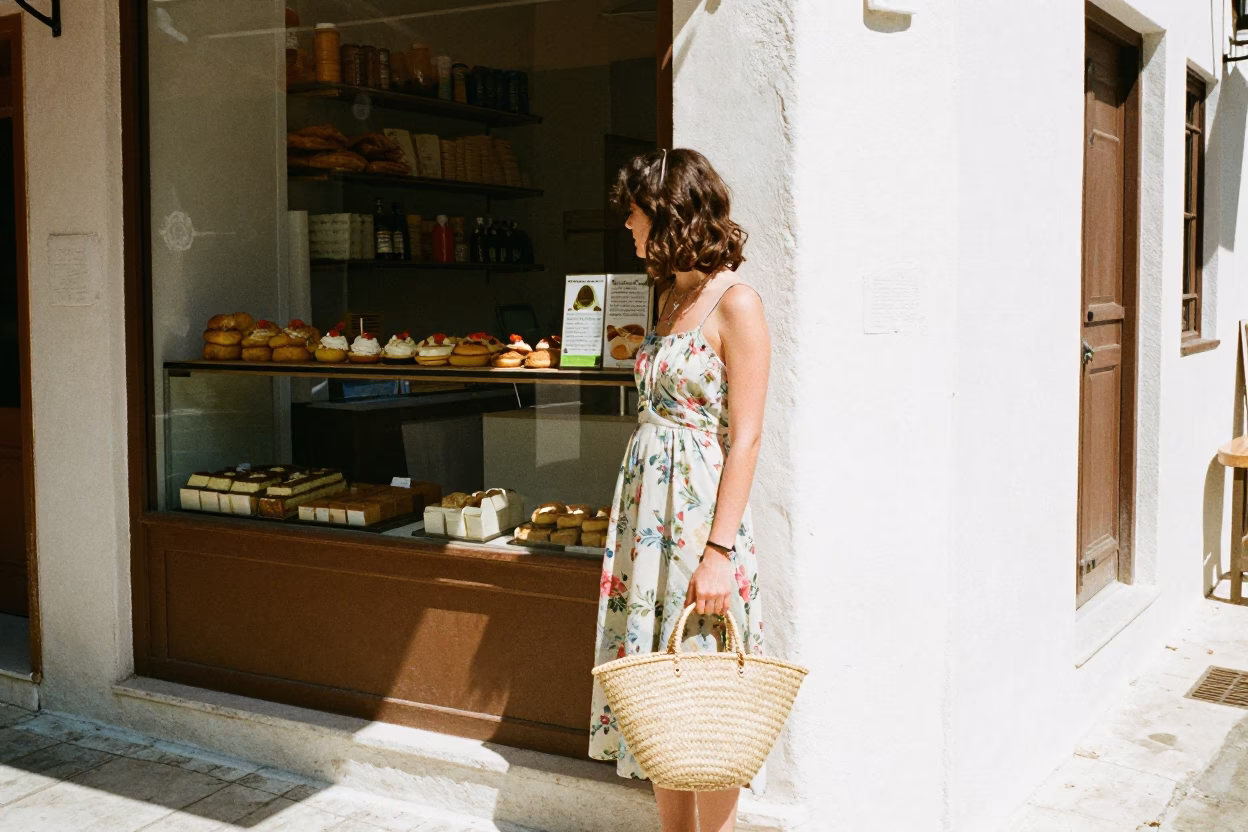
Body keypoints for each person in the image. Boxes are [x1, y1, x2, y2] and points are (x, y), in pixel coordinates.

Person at [588, 148, 770, 832]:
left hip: (699, 522)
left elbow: (746, 438)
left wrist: (718, 552)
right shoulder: (668, 298)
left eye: (633, 215)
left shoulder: (736, 303)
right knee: (660, 695)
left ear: (667, 214)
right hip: (647, 519)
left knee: (707, 695)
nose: (628, 229)